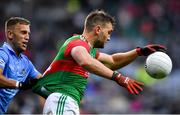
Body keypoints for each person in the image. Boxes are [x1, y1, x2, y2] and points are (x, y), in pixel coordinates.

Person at [32, 10, 166, 115]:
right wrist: (118, 77)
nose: (109, 38)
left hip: (66, 100)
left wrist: (138, 52)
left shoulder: (89, 50)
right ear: (97, 30)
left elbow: (113, 61)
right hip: (62, 98)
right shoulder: (77, 43)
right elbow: (85, 61)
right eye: (109, 32)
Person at [0, 17, 42, 114]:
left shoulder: (26, 63)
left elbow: (43, 82)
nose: (27, 37)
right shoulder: (2, 54)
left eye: (28, 33)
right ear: (10, 34)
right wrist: (19, 84)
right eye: (23, 32)